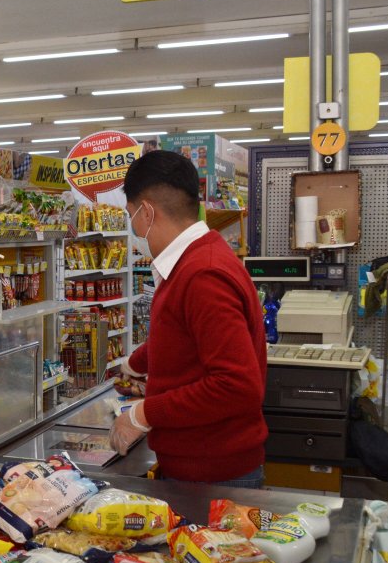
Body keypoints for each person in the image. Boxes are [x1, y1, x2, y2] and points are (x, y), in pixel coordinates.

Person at [108, 150, 268, 488]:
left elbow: (237, 387)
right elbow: (184, 332)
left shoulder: (203, 274)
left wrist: (142, 414)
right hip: (203, 467)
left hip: (215, 476)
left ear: (147, 212)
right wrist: (135, 364)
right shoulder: (196, 259)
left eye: (130, 215)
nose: (133, 228)